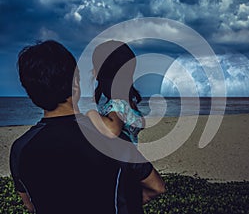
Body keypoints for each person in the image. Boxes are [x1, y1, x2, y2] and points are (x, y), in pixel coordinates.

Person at [10, 40, 165, 214]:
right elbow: (156, 187)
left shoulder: (20, 149)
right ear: (76, 84)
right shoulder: (113, 140)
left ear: (31, 93)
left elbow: (30, 204)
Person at [87, 40, 144, 145]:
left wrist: (92, 114)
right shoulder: (130, 103)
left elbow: (113, 130)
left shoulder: (117, 104)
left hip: (117, 159)